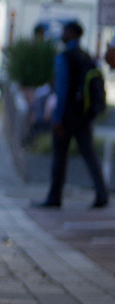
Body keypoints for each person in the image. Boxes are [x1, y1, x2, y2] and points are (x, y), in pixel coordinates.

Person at [38, 19, 108, 209]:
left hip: (67, 117)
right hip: (83, 117)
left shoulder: (64, 57)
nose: (63, 33)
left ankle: (55, 197)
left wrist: (57, 118)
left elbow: (62, 89)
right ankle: (102, 193)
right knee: (89, 155)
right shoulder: (87, 57)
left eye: (65, 31)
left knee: (59, 157)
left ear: (71, 33)